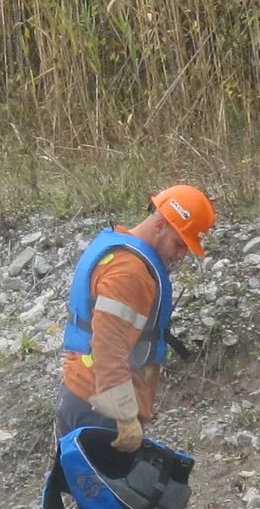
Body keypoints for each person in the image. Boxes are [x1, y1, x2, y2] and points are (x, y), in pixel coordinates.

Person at [54, 185, 215, 450]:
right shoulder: (130, 273)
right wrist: (125, 416)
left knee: (87, 488)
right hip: (100, 409)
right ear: (161, 224)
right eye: (179, 244)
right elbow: (108, 345)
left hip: (82, 395)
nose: (181, 255)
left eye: (187, 248)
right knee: (112, 491)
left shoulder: (119, 249)